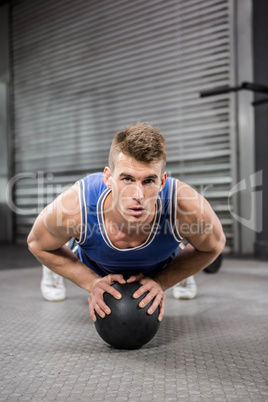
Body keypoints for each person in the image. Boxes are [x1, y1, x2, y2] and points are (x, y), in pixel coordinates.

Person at [28, 123, 225, 322]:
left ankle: (180, 264)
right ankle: (59, 259)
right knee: (53, 240)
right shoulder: (75, 205)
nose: (138, 195)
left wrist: (162, 281)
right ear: (108, 178)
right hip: (94, 261)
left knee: (182, 241)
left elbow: (214, 246)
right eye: (127, 179)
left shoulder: (186, 206)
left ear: (162, 181)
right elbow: (37, 244)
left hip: (159, 262)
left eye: (148, 181)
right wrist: (92, 282)